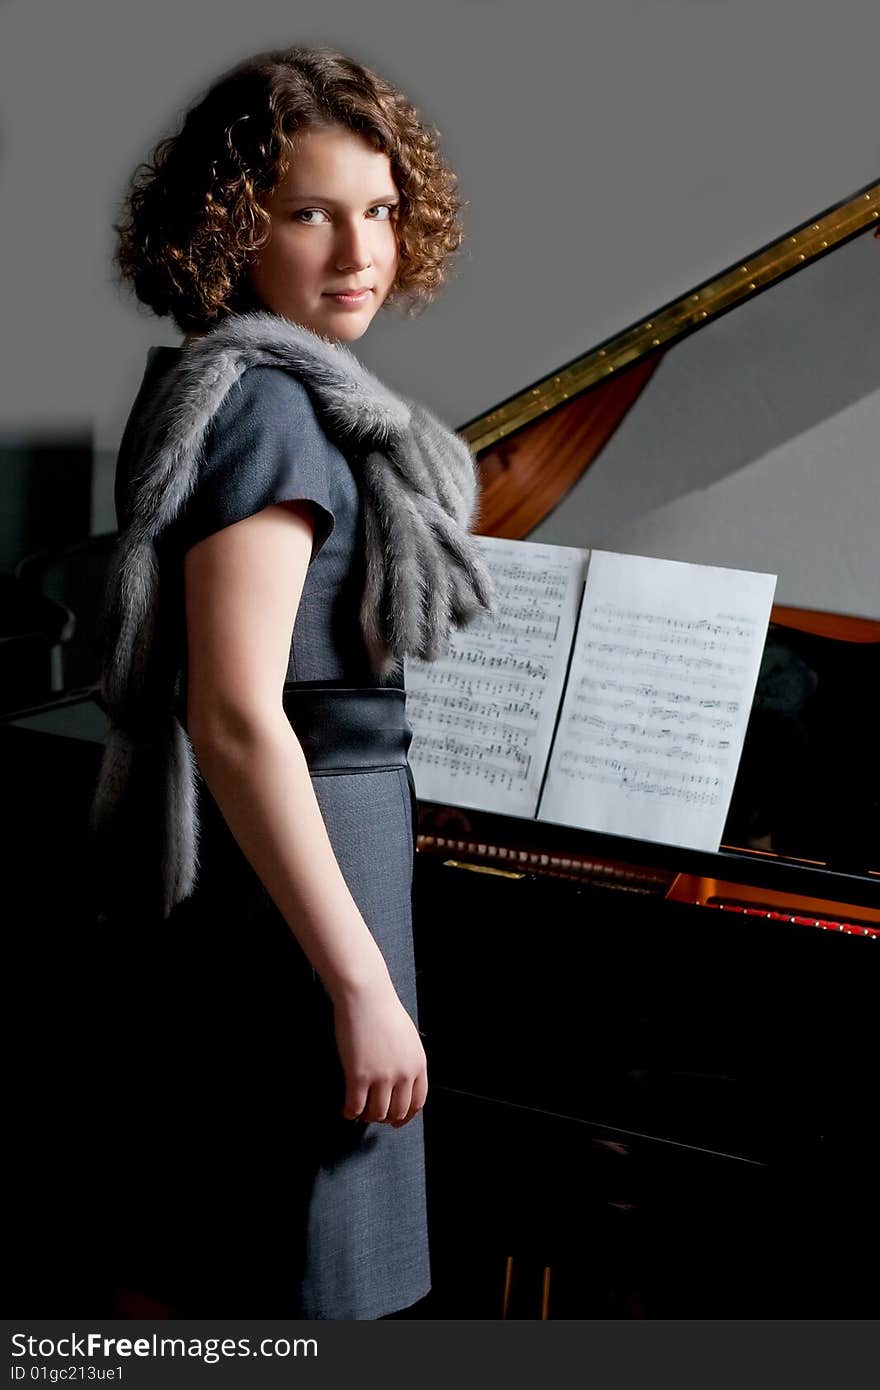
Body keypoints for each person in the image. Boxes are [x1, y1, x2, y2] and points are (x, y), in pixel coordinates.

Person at [90, 44, 493, 1320]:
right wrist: (360, 983)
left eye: (378, 209)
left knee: (289, 1268)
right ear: (231, 229)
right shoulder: (269, 408)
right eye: (309, 212)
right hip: (310, 872)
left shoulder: (246, 387)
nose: (357, 249)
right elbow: (231, 712)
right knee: (308, 1279)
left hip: (310, 857)